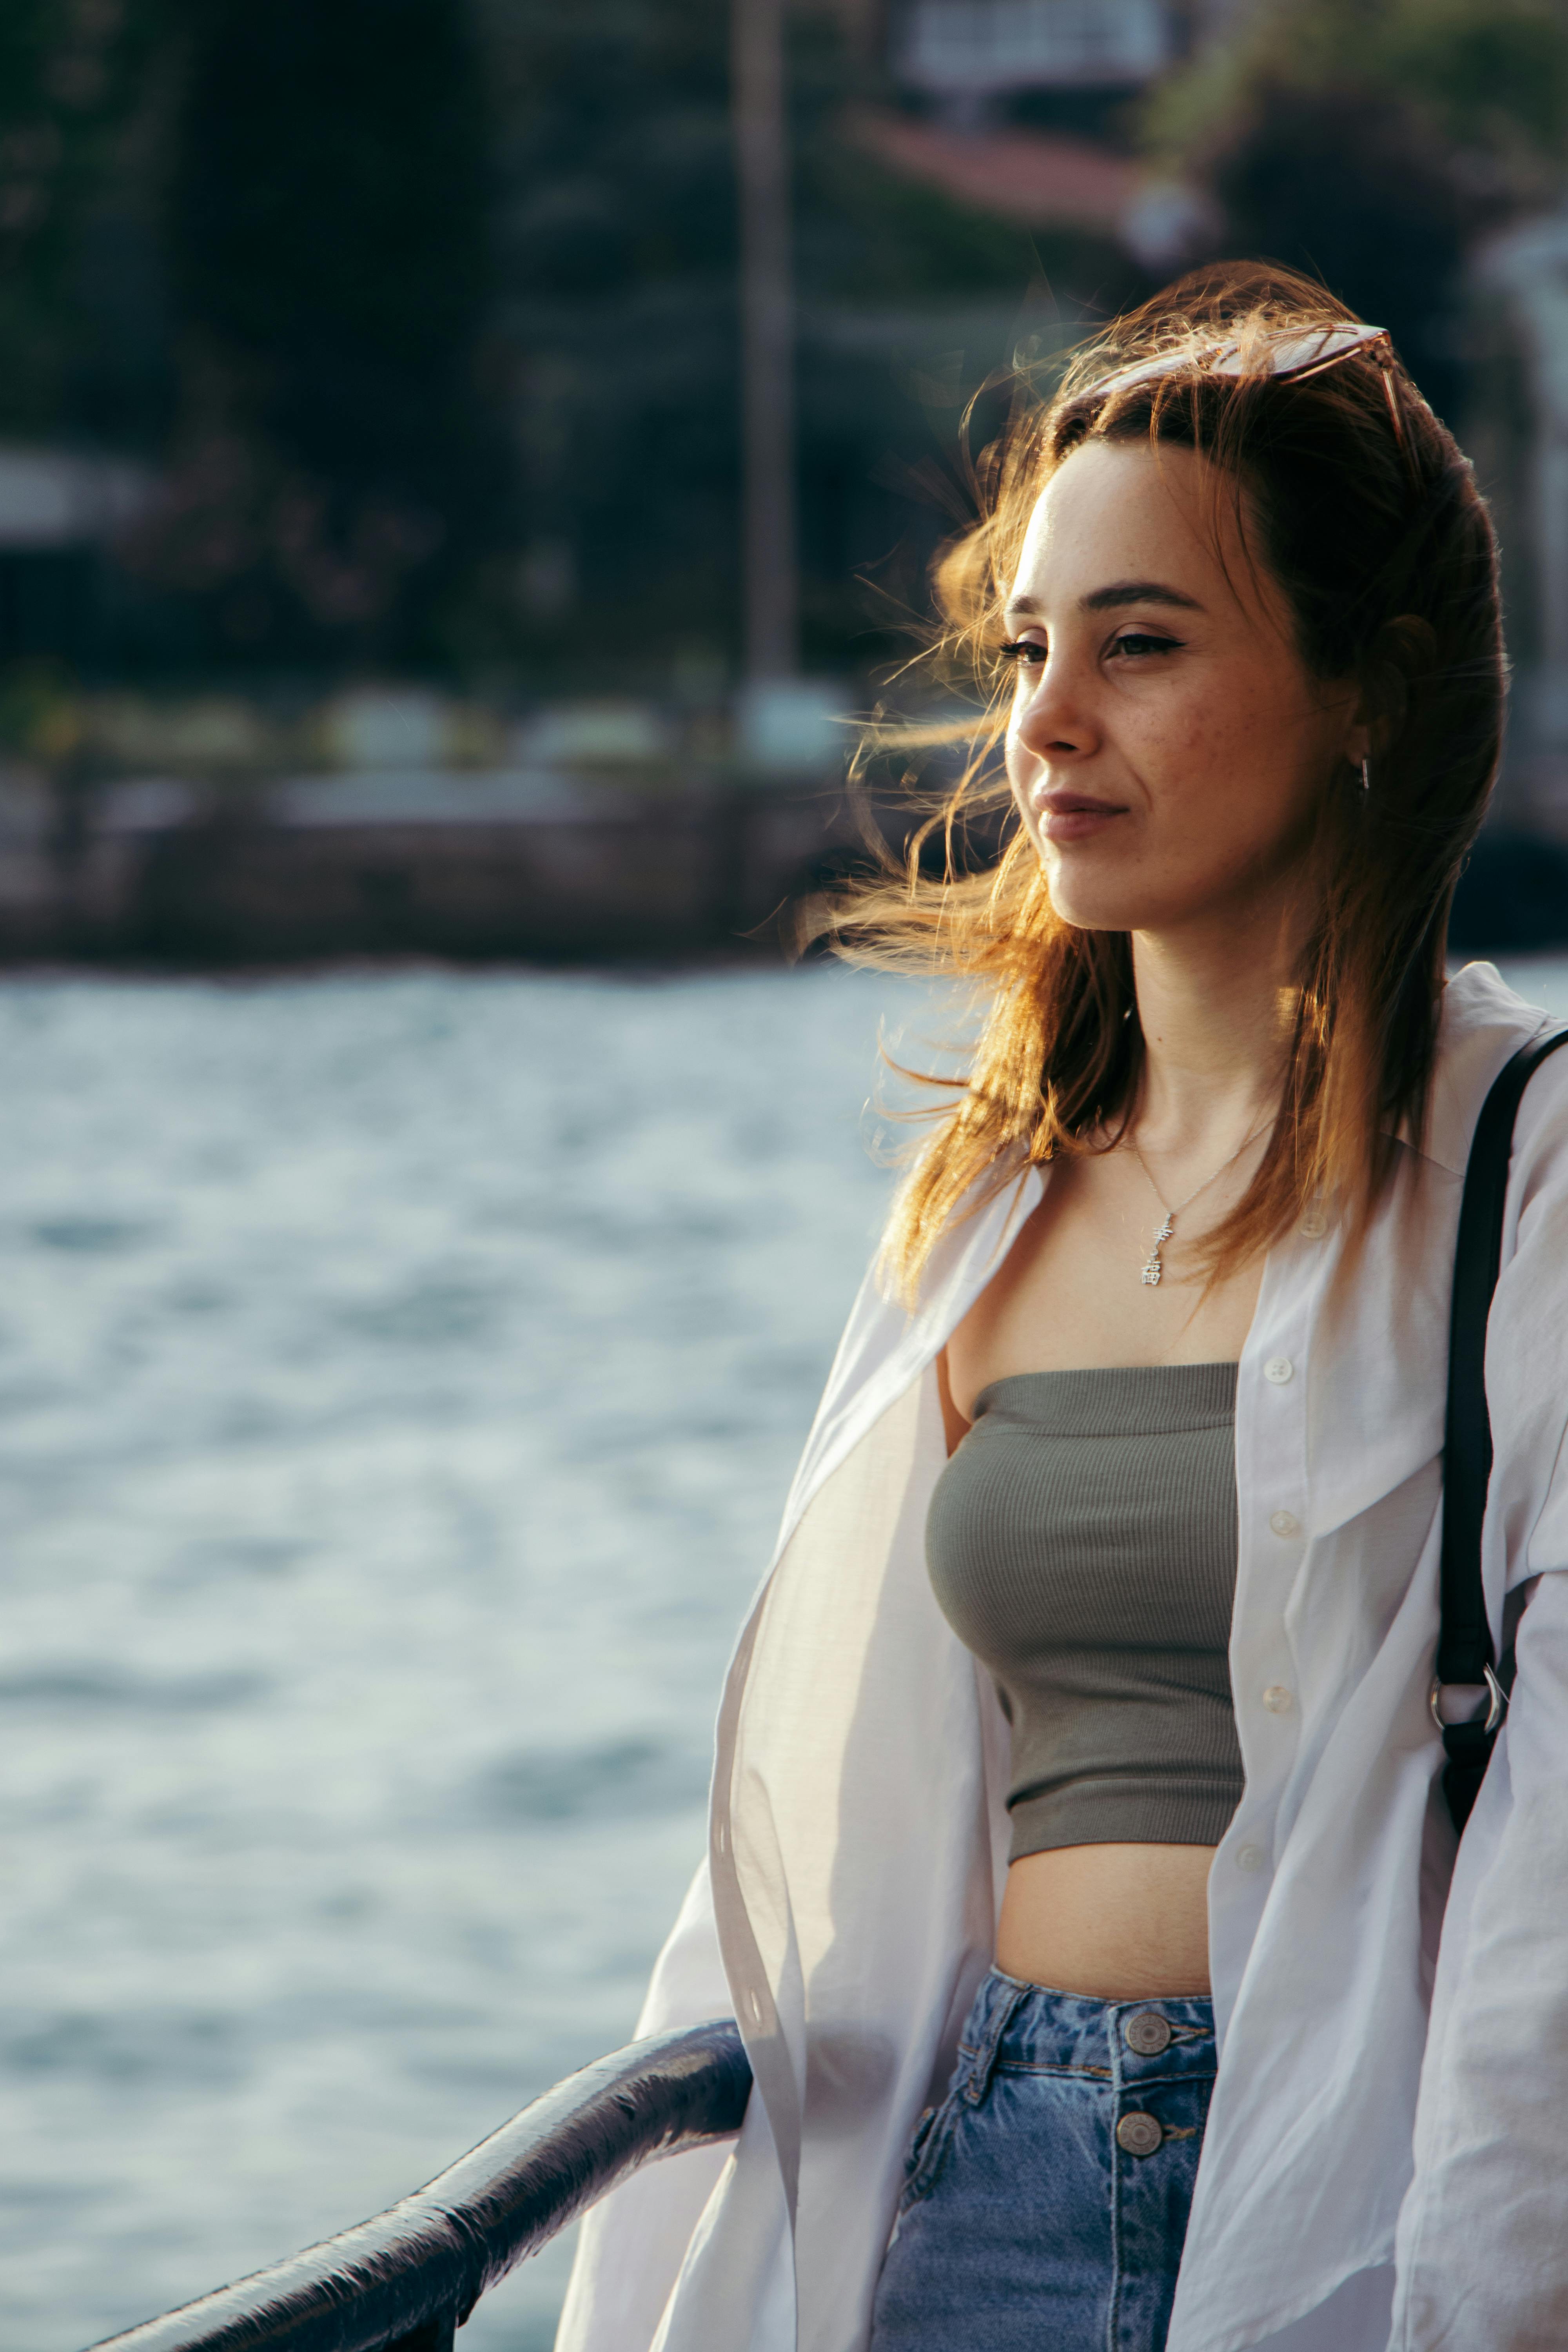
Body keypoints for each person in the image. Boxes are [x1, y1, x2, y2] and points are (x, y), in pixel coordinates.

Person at [555, 264, 1568, 2352]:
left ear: (1367, 688)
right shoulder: (989, 1202)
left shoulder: (1530, 1172)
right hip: (984, 2186)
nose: (1044, 724)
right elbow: (818, 1819)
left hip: (1354, 2189)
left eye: (1143, 642)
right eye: (1028, 650)